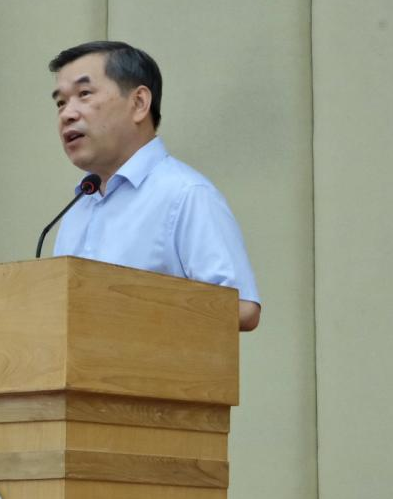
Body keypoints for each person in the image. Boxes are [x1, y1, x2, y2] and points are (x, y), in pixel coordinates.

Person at [48, 41, 261, 331]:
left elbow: (242, 308)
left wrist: (127, 308)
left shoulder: (185, 194)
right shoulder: (77, 208)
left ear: (139, 104)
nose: (67, 114)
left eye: (84, 94)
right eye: (60, 103)